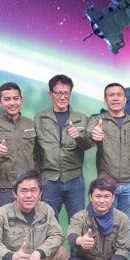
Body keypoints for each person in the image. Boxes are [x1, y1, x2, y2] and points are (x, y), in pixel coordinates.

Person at [86, 82, 130, 239]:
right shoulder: (98, 121)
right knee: (104, 225)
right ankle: (104, 254)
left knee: (126, 225)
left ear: (125, 99)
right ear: (105, 99)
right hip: (107, 185)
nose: (115, 98)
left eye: (119, 95)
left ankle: (122, 254)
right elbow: (88, 134)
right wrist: (93, 134)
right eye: (111, 95)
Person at [66, 175, 130, 260]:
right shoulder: (80, 216)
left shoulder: (122, 218)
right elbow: (71, 234)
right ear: (90, 197)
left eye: (106, 196)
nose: (102, 201)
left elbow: (123, 249)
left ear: (113, 197)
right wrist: (80, 240)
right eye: (98, 196)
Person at [34, 74, 92, 221]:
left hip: (74, 179)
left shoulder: (81, 118)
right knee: (48, 222)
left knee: (79, 221)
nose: (62, 97)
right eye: (58, 93)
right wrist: (38, 177)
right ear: (50, 94)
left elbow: (87, 146)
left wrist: (78, 137)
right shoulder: (40, 118)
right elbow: (35, 150)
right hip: (49, 180)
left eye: (66, 93)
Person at [0, 82, 36, 209]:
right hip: (4, 189)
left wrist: (37, 184)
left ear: (21, 100)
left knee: (31, 221)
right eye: (7, 99)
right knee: (5, 221)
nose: (12, 103)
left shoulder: (31, 124)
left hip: (30, 187)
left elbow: (39, 156)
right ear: (0, 102)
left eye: (15, 98)